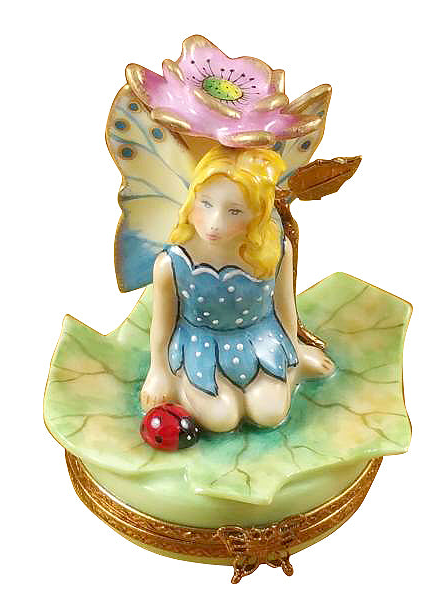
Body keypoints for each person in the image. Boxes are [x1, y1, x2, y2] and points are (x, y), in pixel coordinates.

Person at [140, 144, 334, 432]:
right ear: (191, 199)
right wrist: (158, 373)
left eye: (234, 211)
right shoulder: (172, 263)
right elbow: (162, 325)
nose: (214, 224)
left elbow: (285, 308)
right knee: (221, 420)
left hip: (262, 341)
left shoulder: (276, 251)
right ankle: (183, 384)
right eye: (206, 204)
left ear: (257, 215)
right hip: (200, 349)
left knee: (270, 413)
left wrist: (295, 349)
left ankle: (290, 371)